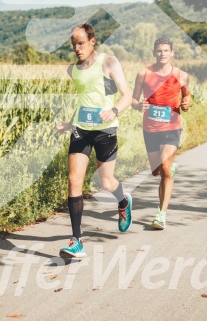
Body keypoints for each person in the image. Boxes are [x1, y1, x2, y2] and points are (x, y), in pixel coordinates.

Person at [55, 23, 132, 258]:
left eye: (81, 43)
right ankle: (76, 241)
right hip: (81, 129)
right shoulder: (73, 70)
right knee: (73, 180)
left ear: (92, 41)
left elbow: (126, 95)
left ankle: (123, 201)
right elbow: (84, 100)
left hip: (105, 130)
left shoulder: (108, 62)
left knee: (106, 182)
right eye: (73, 44)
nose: (77, 49)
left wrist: (114, 111)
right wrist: (70, 123)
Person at [131, 37, 191, 229]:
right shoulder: (144, 74)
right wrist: (139, 105)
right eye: (159, 51)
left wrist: (187, 102)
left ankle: (161, 214)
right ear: (154, 53)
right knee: (157, 171)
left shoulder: (181, 75)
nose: (162, 54)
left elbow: (187, 95)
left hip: (172, 128)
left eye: (166, 50)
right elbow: (132, 100)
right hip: (150, 129)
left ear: (172, 53)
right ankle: (168, 170)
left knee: (165, 168)